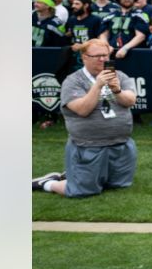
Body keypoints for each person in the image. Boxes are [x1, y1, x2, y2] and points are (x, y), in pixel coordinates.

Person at [32, 40, 140, 197]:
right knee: (81, 191)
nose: (103, 59)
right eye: (97, 56)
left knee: (118, 185)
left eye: (105, 55)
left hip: (120, 144)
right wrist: (97, 86)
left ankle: (74, 175)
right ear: (84, 58)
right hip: (89, 146)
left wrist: (117, 90)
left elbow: (130, 101)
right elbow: (83, 110)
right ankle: (48, 183)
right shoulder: (73, 81)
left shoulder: (119, 76)